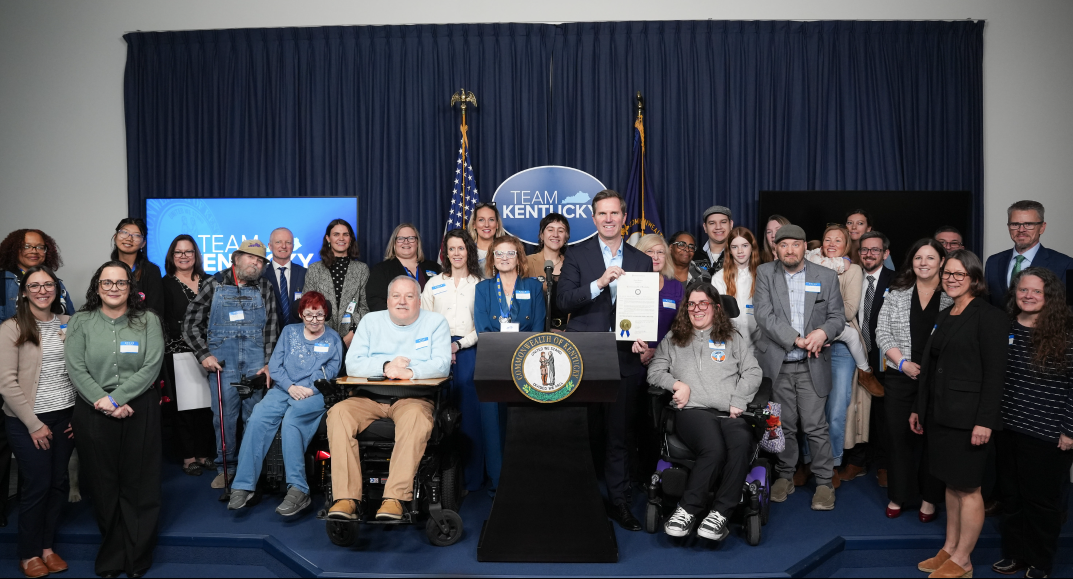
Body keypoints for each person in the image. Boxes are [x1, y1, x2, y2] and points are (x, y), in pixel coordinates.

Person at [557, 189, 652, 531]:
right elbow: (563, 301)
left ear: (624, 218)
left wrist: (645, 338)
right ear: (593, 218)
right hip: (583, 358)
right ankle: (575, 502)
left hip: (625, 360)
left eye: (615, 214)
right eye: (602, 214)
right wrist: (599, 283)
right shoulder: (578, 254)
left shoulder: (641, 260)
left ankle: (620, 503)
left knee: (619, 436)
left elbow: (645, 311)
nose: (609, 219)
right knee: (582, 433)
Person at [912, 250, 1007, 579]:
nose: (951, 279)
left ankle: (964, 559)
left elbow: (996, 375)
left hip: (970, 420)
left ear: (975, 280)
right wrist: (920, 408)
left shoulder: (989, 317)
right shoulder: (946, 313)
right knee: (951, 486)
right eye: (947, 274)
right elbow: (932, 368)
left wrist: (985, 421)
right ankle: (950, 549)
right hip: (941, 415)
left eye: (959, 274)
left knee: (969, 489)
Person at [65, 261, 164, 578]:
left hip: (140, 408)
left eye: (121, 283)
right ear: (97, 287)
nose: (113, 288)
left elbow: (152, 366)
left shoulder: (147, 320)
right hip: (92, 410)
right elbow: (76, 369)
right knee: (104, 486)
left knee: (140, 485)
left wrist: (117, 398)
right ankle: (111, 556)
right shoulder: (80, 321)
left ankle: (138, 556)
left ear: (130, 288)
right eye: (107, 283)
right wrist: (104, 402)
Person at [324, 275, 451, 521]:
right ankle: (346, 499)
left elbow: (442, 364)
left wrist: (409, 372)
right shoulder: (371, 321)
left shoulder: (436, 323)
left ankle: (394, 499)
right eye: (396, 296)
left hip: (413, 399)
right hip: (368, 399)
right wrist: (385, 366)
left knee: (416, 418)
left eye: (409, 296)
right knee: (338, 413)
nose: (402, 301)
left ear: (419, 300)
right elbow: (353, 364)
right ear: (388, 299)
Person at [648, 281, 762, 541]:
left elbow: (753, 371)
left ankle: (720, 513)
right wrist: (677, 384)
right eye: (692, 304)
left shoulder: (732, 337)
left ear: (716, 308)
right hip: (693, 411)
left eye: (703, 303)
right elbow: (655, 372)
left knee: (742, 441)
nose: (697, 309)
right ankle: (687, 509)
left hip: (730, 412)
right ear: (685, 308)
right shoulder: (674, 338)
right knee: (713, 447)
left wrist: (739, 398)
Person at [753, 224, 844, 511]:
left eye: (795, 244)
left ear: (806, 246)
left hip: (812, 364)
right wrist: (796, 339)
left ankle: (824, 482)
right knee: (782, 426)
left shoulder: (826, 276)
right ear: (775, 249)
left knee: (816, 427)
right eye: (783, 245)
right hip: (778, 365)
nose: (789, 250)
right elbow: (764, 316)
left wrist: (822, 334)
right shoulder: (766, 273)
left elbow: (837, 317)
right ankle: (785, 475)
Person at [228, 291, 342, 516]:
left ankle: (298, 489)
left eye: (319, 315)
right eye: (309, 315)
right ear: (300, 314)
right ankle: (243, 485)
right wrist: (290, 386)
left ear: (325, 314)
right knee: (258, 416)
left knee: (292, 419)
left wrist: (309, 388)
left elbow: (331, 371)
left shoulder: (332, 339)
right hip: (284, 388)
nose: (314, 321)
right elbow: (275, 366)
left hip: (314, 392)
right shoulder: (289, 333)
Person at [992, 268, 1073, 579]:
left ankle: (1040, 562)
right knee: (1011, 498)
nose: (1027, 296)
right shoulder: (1006, 327)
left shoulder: (1065, 333)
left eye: (1035, 291)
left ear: (1049, 296)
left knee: (1041, 503)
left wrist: (1069, 428)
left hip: (1048, 435)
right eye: (1022, 290)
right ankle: (1015, 556)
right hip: (1007, 428)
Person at [182, 239, 280, 489]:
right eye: (250, 258)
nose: (255, 264)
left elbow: (271, 329)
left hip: (256, 362)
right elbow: (190, 323)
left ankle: (251, 469)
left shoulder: (266, 287)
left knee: (255, 417)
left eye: (259, 261)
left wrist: (268, 364)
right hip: (223, 364)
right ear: (236, 259)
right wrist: (203, 354)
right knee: (223, 418)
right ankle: (227, 468)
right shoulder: (213, 284)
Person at [0, 266, 75, 578]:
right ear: (25, 292)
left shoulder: (71, 323)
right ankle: (28, 553)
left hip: (66, 416)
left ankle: (46, 548)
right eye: (35, 286)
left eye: (48, 285)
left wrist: (80, 417)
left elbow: (84, 371)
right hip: (26, 419)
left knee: (59, 483)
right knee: (37, 484)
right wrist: (33, 424)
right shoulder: (11, 328)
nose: (43, 290)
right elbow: (6, 383)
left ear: (56, 289)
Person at [874, 238, 950, 522]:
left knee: (932, 439)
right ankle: (899, 494)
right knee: (897, 437)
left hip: (937, 379)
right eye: (918, 257)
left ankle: (929, 499)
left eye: (930, 258)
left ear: (942, 261)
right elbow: (882, 332)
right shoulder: (897, 292)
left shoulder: (952, 296)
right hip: (901, 375)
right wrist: (902, 363)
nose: (923, 263)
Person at [803, 224, 883, 475]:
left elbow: (848, 311)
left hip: (839, 345)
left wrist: (819, 321)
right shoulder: (808, 265)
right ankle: (808, 462)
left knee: (836, 410)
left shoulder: (853, 270)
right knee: (810, 409)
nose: (832, 243)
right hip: (811, 343)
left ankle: (832, 464)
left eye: (838, 239)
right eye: (828, 239)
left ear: (847, 245)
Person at [422, 229, 489, 494]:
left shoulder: (480, 284)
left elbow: (483, 325)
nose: (457, 253)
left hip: (469, 352)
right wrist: (441, 345)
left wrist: (458, 344)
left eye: (461, 248)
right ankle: (438, 478)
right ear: (445, 253)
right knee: (437, 415)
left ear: (468, 251)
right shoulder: (433, 283)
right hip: (437, 353)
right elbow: (424, 321)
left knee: (470, 416)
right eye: (452, 249)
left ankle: (471, 480)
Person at [840, 231, 896, 486]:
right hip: (854, 353)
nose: (869, 254)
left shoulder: (898, 281)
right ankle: (856, 461)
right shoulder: (850, 276)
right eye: (864, 250)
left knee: (884, 414)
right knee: (854, 408)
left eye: (875, 250)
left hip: (885, 356)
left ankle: (884, 464)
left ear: (885, 253)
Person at [160, 235, 215, 475]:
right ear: (172, 257)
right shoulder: (165, 284)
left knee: (207, 407)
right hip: (179, 351)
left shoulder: (210, 281)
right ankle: (188, 456)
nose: (184, 256)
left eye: (189, 251)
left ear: (196, 255)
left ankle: (204, 453)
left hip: (211, 351)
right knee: (185, 409)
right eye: (178, 252)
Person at [984, 200, 1073, 309]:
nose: (1021, 230)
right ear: (1008, 227)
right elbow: (987, 307)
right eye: (1015, 224)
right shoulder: (993, 262)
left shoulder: (1065, 264)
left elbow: (1069, 310)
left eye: (1029, 224)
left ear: (1042, 227)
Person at [303, 219, 369, 352]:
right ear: (328, 238)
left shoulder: (362, 269)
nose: (341, 238)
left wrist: (352, 334)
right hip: (320, 337)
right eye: (336, 234)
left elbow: (365, 307)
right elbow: (307, 306)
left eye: (346, 234)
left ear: (350, 239)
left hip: (353, 339)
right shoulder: (314, 269)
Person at [1, 229, 75, 323]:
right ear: (14, 250)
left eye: (40, 247)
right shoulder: (3, 282)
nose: (34, 251)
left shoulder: (56, 282)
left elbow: (72, 320)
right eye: (26, 246)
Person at [475, 235, 546, 333]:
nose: (504, 258)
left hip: (527, 346)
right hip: (493, 347)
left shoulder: (534, 287)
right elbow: (483, 331)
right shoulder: (482, 289)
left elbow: (538, 327)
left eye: (511, 253)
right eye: (499, 253)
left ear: (518, 259)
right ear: (492, 259)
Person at [367, 223, 441, 312]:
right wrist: (401, 318)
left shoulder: (435, 267)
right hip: (397, 323)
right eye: (400, 239)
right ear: (394, 244)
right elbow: (375, 301)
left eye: (411, 238)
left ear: (417, 243)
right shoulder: (381, 270)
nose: (406, 242)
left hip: (431, 321)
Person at [634, 234, 684, 356]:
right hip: (632, 357)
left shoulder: (675, 286)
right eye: (649, 251)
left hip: (668, 356)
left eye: (660, 252)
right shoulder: (628, 283)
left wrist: (659, 352)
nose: (655, 257)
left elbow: (683, 325)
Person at [713, 227, 761, 350]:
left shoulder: (763, 276)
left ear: (752, 247)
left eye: (745, 245)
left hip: (759, 347)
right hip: (731, 346)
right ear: (729, 250)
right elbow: (718, 318)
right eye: (734, 247)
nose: (740, 251)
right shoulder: (719, 278)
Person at [525, 213, 570, 330]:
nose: (555, 235)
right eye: (550, 230)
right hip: (536, 331)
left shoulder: (574, 264)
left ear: (566, 237)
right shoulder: (527, 263)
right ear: (541, 235)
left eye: (560, 231)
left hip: (568, 332)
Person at [109, 218, 164, 314]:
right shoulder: (107, 271)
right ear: (115, 237)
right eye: (124, 232)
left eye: (136, 235)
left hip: (142, 326)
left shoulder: (151, 271)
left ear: (143, 243)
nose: (129, 238)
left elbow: (156, 312)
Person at [262, 227, 307, 326]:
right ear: (270, 246)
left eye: (288, 243)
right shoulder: (260, 274)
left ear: (293, 246)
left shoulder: (305, 273)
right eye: (278, 242)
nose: (283, 246)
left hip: (299, 335)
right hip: (268, 336)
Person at [691, 205, 733, 279]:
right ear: (705, 227)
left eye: (723, 222)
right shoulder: (693, 256)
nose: (718, 227)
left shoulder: (740, 255)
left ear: (731, 225)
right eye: (712, 223)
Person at [467, 202, 505, 277]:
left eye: (491, 220)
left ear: (497, 224)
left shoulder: (505, 252)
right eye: (481, 220)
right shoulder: (465, 252)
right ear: (474, 224)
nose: (486, 225)